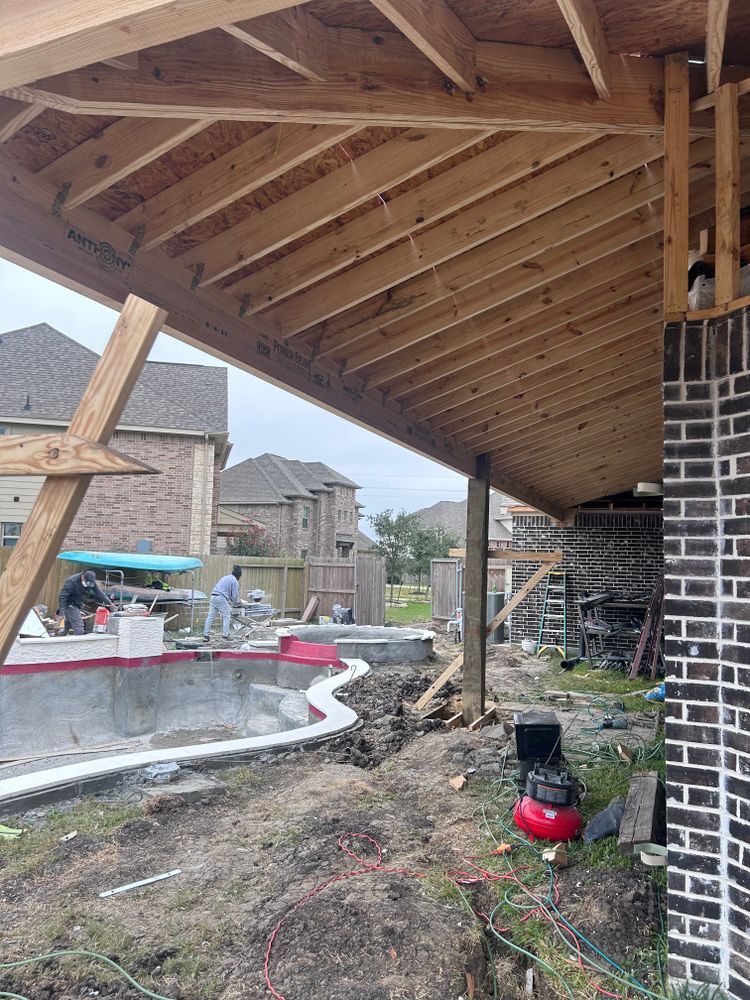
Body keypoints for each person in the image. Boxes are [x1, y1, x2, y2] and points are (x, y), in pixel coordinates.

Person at [58, 569, 115, 636]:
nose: (88, 585)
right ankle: (80, 642)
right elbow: (63, 596)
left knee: (69, 621)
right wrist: (62, 610)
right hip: (69, 604)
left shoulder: (91, 582)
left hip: (78, 603)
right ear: (83, 577)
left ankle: (62, 634)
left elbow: (99, 592)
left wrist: (110, 603)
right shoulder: (72, 581)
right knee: (79, 626)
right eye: (87, 583)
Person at [203, 565, 242, 641]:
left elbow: (228, 593)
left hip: (213, 596)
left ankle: (206, 635)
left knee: (210, 616)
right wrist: (238, 602)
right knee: (227, 615)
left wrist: (230, 600)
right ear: (238, 576)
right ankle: (225, 635)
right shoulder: (234, 581)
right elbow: (234, 596)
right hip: (220, 597)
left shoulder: (226, 577)